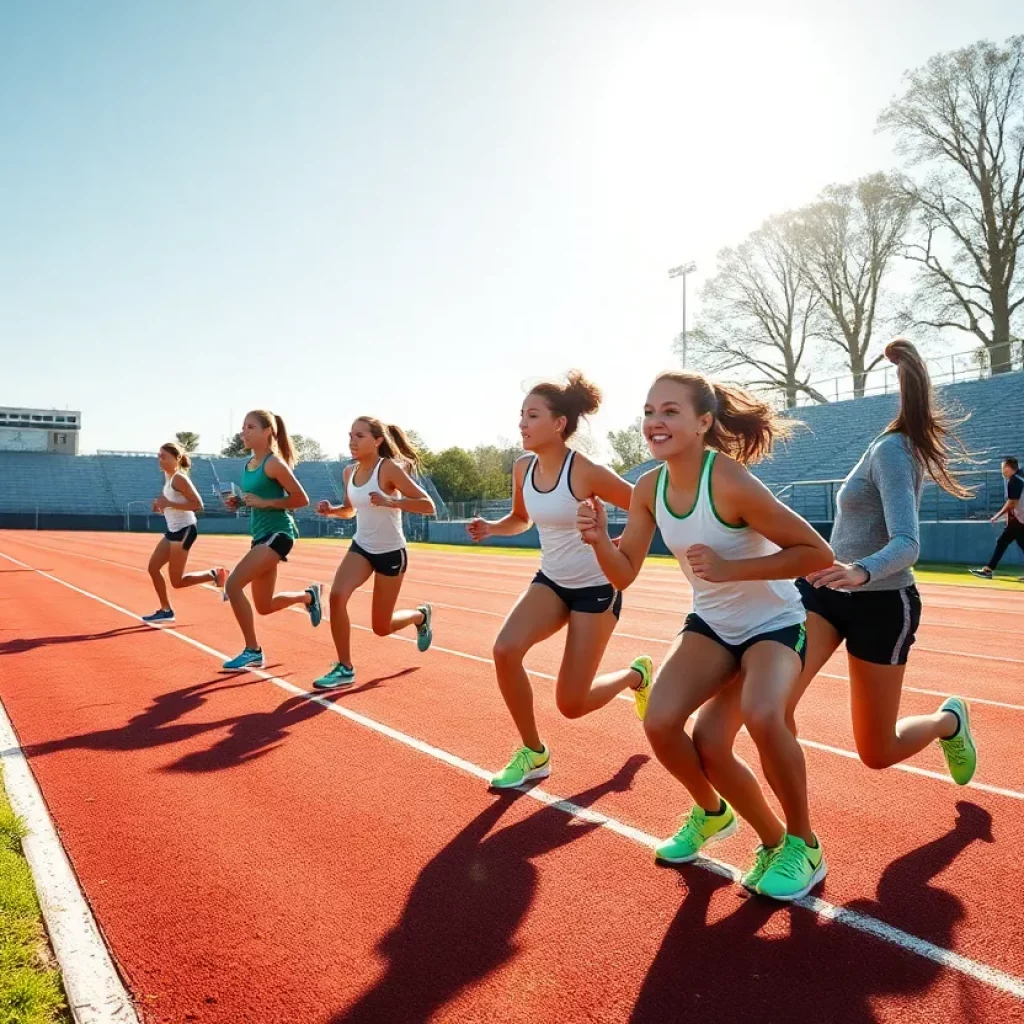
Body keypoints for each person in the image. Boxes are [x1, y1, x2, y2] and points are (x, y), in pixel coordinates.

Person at [698, 340, 979, 900]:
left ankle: (949, 722)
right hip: (827, 592)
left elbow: (908, 542)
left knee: (875, 752)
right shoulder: (879, 445)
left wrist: (861, 572)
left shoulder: (894, 452)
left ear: (904, 390)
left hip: (881, 603)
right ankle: (794, 842)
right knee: (769, 708)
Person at [577, 370, 834, 901]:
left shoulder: (731, 481)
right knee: (662, 722)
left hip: (775, 625)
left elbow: (816, 554)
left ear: (703, 422)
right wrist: (601, 541)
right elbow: (624, 573)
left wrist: (729, 568)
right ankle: (724, 818)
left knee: (758, 719)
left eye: (670, 411)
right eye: (649, 411)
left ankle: (804, 844)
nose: (655, 422)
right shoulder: (649, 487)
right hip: (712, 626)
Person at [469, 372, 642, 790]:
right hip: (551, 580)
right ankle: (534, 752)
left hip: (596, 588)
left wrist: (620, 539)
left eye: (532, 415)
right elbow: (521, 519)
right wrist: (493, 527)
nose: (522, 425)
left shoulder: (586, 471)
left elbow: (648, 505)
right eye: (521, 416)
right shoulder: (522, 467)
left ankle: (636, 676)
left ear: (559, 423)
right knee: (505, 650)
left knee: (572, 703)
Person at [312, 417, 436, 689]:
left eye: (359, 436)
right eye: (350, 435)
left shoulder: (388, 468)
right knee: (336, 596)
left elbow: (427, 505)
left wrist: (392, 501)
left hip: (391, 552)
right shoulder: (349, 473)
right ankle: (345, 668)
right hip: (361, 547)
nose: (352, 441)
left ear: (377, 440)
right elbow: (350, 509)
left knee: (380, 627)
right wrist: (332, 510)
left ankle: (420, 616)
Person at [221, 410, 322, 670]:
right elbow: (257, 498)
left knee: (233, 585)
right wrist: (240, 502)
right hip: (260, 535)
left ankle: (252, 650)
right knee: (264, 606)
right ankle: (308, 597)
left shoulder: (273, 463)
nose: (244, 431)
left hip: (279, 534)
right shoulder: (247, 465)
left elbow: (301, 499)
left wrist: (266, 502)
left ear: (268, 431)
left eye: (251, 427)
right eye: (243, 427)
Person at [142, 442, 227, 623]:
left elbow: (198, 505)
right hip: (173, 530)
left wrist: (169, 504)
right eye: (159, 455)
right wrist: (160, 507)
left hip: (185, 530)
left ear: (177, 458)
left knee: (177, 581)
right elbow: (170, 504)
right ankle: (166, 610)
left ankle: (216, 574)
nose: (160, 459)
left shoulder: (180, 478)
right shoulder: (168, 477)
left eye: (164, 456)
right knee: (153, 568)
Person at [969, 457, 1024, 581]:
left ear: (1009, 468)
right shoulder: (1020, 477)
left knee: (1002, 542)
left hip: (1020, 519)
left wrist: (997, 515)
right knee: (1015, 542)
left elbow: (1012, 503)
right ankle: (988, 569)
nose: (1002, 471)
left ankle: (988, 570)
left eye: (1003, 468)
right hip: (1020, 519)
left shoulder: (1014, 481)